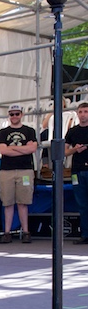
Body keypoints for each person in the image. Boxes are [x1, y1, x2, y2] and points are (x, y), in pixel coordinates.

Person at [0, 104, 37, 244]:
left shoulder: (29, 131)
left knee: (23, 202)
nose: (14, 116)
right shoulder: (3, 132)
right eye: (12, 114)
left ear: (21, 114)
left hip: (25, 169)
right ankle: (7, 232)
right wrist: (23, 149)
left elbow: (32, 149)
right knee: (7, 202)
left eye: (17, 114)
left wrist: (12, 148)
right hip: (6, 170)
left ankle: (26, 232)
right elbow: (3, 150)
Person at [65, 101, 88, 245]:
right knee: (82, 204)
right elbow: (64, 152)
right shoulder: (72, 131)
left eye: (86, 111)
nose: (83, 115)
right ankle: (85, 234)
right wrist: (75, 149)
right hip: (77, 171)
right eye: (80, 112)